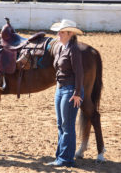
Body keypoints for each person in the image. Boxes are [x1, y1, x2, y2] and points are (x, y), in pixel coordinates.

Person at [47, 19, 84, 167]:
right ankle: (61, 157)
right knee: (61, 125)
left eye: (61, 32)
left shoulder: (73, 49)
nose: (58, 34)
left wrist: (77, 93)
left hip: (70, 91)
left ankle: (66, 159)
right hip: (61, 89)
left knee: (67, 125)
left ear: (69, 34)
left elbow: (79, 72)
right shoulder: (62, 48)